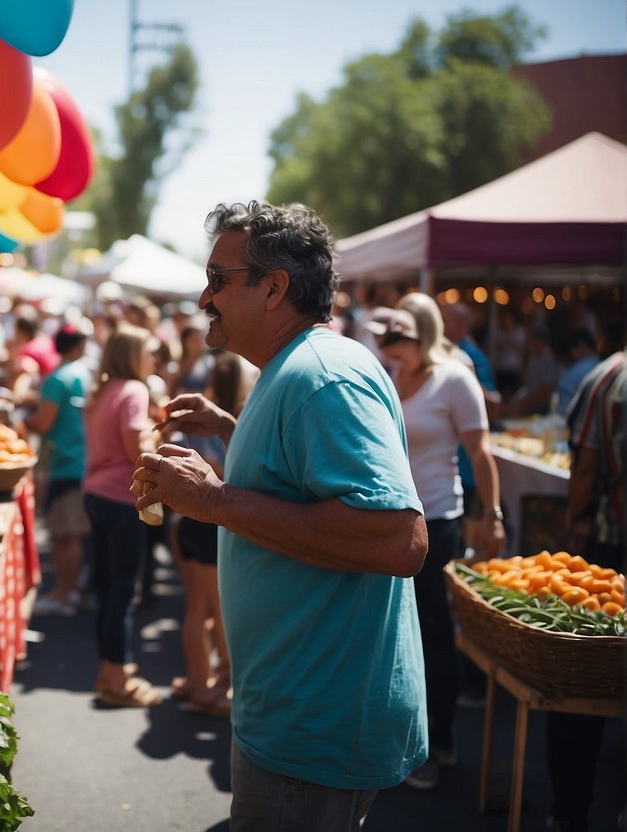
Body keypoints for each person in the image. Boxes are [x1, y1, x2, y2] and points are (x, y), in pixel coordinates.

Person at [132, 200, 428, 830]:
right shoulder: (295, 370)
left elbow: (399, 540)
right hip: (296, 717)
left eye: (219, 279)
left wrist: (210, 500)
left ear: (274, 288)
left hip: (313, 728)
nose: (203, 294)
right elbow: (302, 484)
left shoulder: (322, 376)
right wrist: (234, 431)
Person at [369, 294, 504, 791]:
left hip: (438, 520)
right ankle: (407, 738)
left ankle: (438, 742)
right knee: (394, 633)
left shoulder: (455, 377)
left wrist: (491, 515)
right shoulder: (390, 374)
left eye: (400, 330)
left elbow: (480, 451)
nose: (390, 338)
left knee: (431, 634)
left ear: (420, 331)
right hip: (390, 519)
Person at [551, 346, 626, 832]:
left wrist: (574, 522)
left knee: (584, 680)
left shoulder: (608, 378)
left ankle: (570, 812)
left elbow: (585, 465)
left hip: (610, 540)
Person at [168, 349, 257, 718]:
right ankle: (217, 683)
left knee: (197, 607)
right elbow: (224, 477)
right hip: (207, 526)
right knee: (218, 610)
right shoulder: (229, 425)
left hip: (185, 523)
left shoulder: (197, 422)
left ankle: (197, 679)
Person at [83, 324, 162, 708]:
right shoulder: (133, 390)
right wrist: (157, 434)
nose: (155, 358)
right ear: (133, 355)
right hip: (119, 498)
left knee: (108, 588)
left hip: (97, 493)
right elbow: (137, 451)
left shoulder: (105, 389)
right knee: (122, 590)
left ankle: (110, 670)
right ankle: (115, 678)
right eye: (150, 350)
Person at [25, 324, 92, 617]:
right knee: (70, 533)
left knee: (65, 534)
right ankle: (70, 591)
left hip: (64, 464)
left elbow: (43, 422)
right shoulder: (84, 374)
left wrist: (22, 420)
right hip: (79, 460)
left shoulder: (59, 377)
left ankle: (66, 593)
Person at [502, 322, 558, 417]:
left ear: (537, 340)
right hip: (531, 403)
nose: (525, 341)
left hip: (542, 409)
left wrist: (520, 405)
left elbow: (546, 390)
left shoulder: (547, 357)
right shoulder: (534, 356)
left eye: (528, 338)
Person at [554, 329, 599, 416]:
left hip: (579, 424)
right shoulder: (605, 367)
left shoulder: (573, 374)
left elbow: (562, 412)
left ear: (581, 346)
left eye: (572, 350)